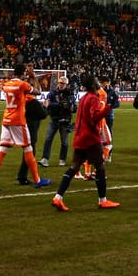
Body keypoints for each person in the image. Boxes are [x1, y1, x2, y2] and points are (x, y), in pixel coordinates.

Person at [51, 74, 120, 211]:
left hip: (80, 136)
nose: (98, 82)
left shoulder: (83, 98)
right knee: (100, 168)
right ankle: (103, 200)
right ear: (93, 85)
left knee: (74, 167)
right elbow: (94, 117)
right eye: (96, 81)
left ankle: (58, 197)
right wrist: (107, 108)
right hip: (90, 138)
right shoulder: (93, 98)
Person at [0, 64, 50, 191]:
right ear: (23, 73)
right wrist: (32, 76)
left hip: (6, 119)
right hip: (18, 120)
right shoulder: (23, 85)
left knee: (2, 150)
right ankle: (37, 180)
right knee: (28, 148)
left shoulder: (6, 84)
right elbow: (38, 92)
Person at [16, 76, 50, 185]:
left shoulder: (22, 100)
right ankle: (29, 178)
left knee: (27, 153)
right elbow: (43, 114)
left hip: (22, 128)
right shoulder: (33, 102)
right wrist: (45, 106)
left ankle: (24, 176)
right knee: (30, 153)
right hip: (30, 130)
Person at [41, 75, 75, 167]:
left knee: (64, 142)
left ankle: (62, 159)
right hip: (54, 119)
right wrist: (59, 104)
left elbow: (72, 107)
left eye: (63, 83)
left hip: (65, 120)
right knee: (48, 139)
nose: (60, 84)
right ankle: (45, 159)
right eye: (60, 83)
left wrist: (71, 107)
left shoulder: (70, 94)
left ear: (67, 84)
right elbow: (47, 104)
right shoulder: (53, 93)